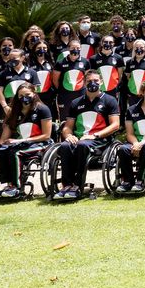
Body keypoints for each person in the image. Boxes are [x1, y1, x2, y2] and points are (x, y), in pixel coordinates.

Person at [54, 71, 120, 200]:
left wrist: (95, 135)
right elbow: (68, 127)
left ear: (101, 82)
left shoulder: (110, 100)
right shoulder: (76, 103)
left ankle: (77, 186)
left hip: (100, 139)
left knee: (82, 146)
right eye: (89, 81)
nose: (93, 83)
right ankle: (67, 185)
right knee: (65, 146)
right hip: (80, 139)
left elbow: (115, 125)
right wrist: (68, 135)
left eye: (96, 80)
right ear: (84, 83)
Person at [0, 83, 53, 198]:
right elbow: (3, 138)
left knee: (15, 153)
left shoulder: (43, 109)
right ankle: (8, 185)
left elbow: (46, 135)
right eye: (20, 95)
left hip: (41, 143)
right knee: (3, 150)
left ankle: (16, 187)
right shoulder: (13, 111)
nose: (24, 98)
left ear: (34, 93)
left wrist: (21, 140)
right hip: (21, 144)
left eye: (27, 94)